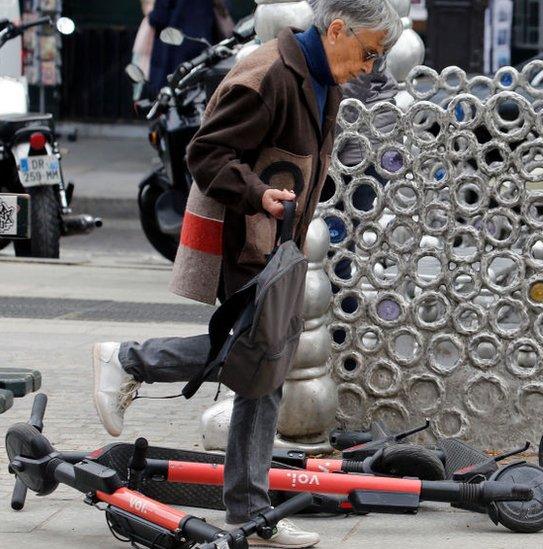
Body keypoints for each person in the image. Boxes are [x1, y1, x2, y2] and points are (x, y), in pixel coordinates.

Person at [92, 1, 402, 547]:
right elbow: (205, 153)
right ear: (336, 30)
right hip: (246, 242)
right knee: (255, 359)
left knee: (264, 372)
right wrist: (259, 194)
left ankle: (250, 510)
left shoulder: (318, 73)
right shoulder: (269, 74)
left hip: (272, 244)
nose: (370, 67)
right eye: (369, 53)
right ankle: (128, 359)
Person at [144, 0, 233, 96]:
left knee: (172, 97)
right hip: (204, 44)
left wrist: (150, 13)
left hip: (176, 49)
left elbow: (159, 17)